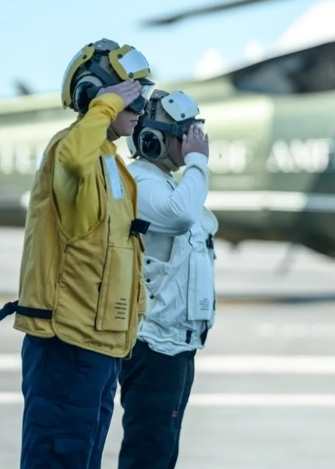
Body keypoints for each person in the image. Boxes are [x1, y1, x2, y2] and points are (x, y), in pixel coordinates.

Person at [0, 38, 154, 469]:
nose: (140, 108)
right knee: (58, 458)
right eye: (130, 96)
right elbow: (73, 160)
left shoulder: (109, 160)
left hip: (99, 345)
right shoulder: (70, 150)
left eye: (143, 95)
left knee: (83, 457)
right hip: (67, 344)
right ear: (94, 95)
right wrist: (103, 107)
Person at [118, 89, 216, 469]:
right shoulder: (141, 181)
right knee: (149, 452)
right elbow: (181, 216)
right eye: (185, 133)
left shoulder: (167, 183)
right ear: (153, 140)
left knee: (162, 452)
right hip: (153, 346)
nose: (194, 140)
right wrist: (197, 162)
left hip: (176, 345)